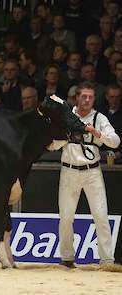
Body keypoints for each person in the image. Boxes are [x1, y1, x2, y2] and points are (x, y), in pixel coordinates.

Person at [58, 82, 120, 268]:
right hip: (68, 170)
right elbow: (52, 143)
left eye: (90, 97)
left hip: (92, 171)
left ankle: (107, 259)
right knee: (66, 216)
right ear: (77, 97)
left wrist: (97, 133)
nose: (86, 100)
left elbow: (115, 142)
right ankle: (67, 257)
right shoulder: (67, 116)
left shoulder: (99, 118)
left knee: (100, 215)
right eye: (83, 96)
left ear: (94, 99)